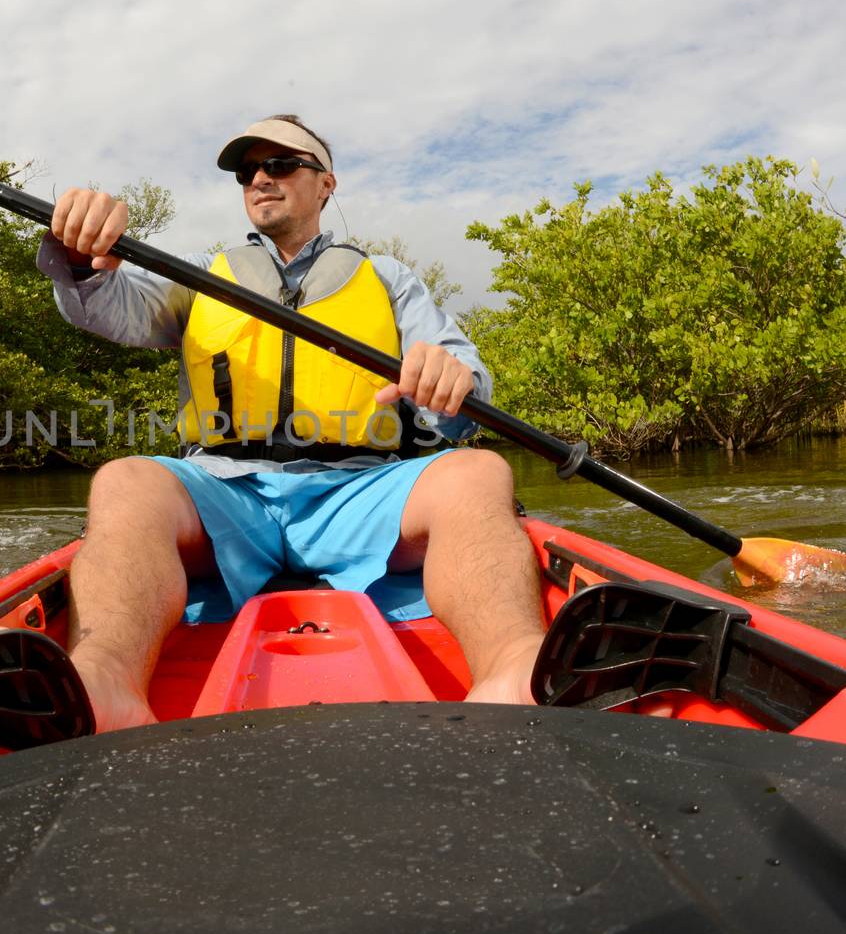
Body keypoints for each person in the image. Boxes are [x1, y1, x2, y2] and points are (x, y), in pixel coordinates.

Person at [36, 114, 543, 731]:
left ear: (326, 184)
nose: (260, 179)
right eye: (248, 171)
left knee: (477, 472)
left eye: (280, 165)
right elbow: (110, 308)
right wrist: (84, 257)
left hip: (358, 488)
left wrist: (450, 379)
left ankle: (515, 669)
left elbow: (465, 384)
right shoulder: (199, 274)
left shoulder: (389, 279)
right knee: (125, 480)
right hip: (225, 490)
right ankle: (104, 683)